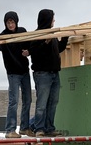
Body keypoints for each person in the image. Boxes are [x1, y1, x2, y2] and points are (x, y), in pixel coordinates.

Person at [24, 9, 69, 137]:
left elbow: (58, 49)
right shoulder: (37, 35)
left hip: (54, 73)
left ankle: (49, 128)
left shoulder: (52, 35)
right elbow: (34, 51)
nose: (54, 21)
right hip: (42, 74)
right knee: (42, 104)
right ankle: (39, 128)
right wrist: (45, 42)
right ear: (47, 19)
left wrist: (65, 37)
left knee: (53, 102)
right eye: (52, 18)